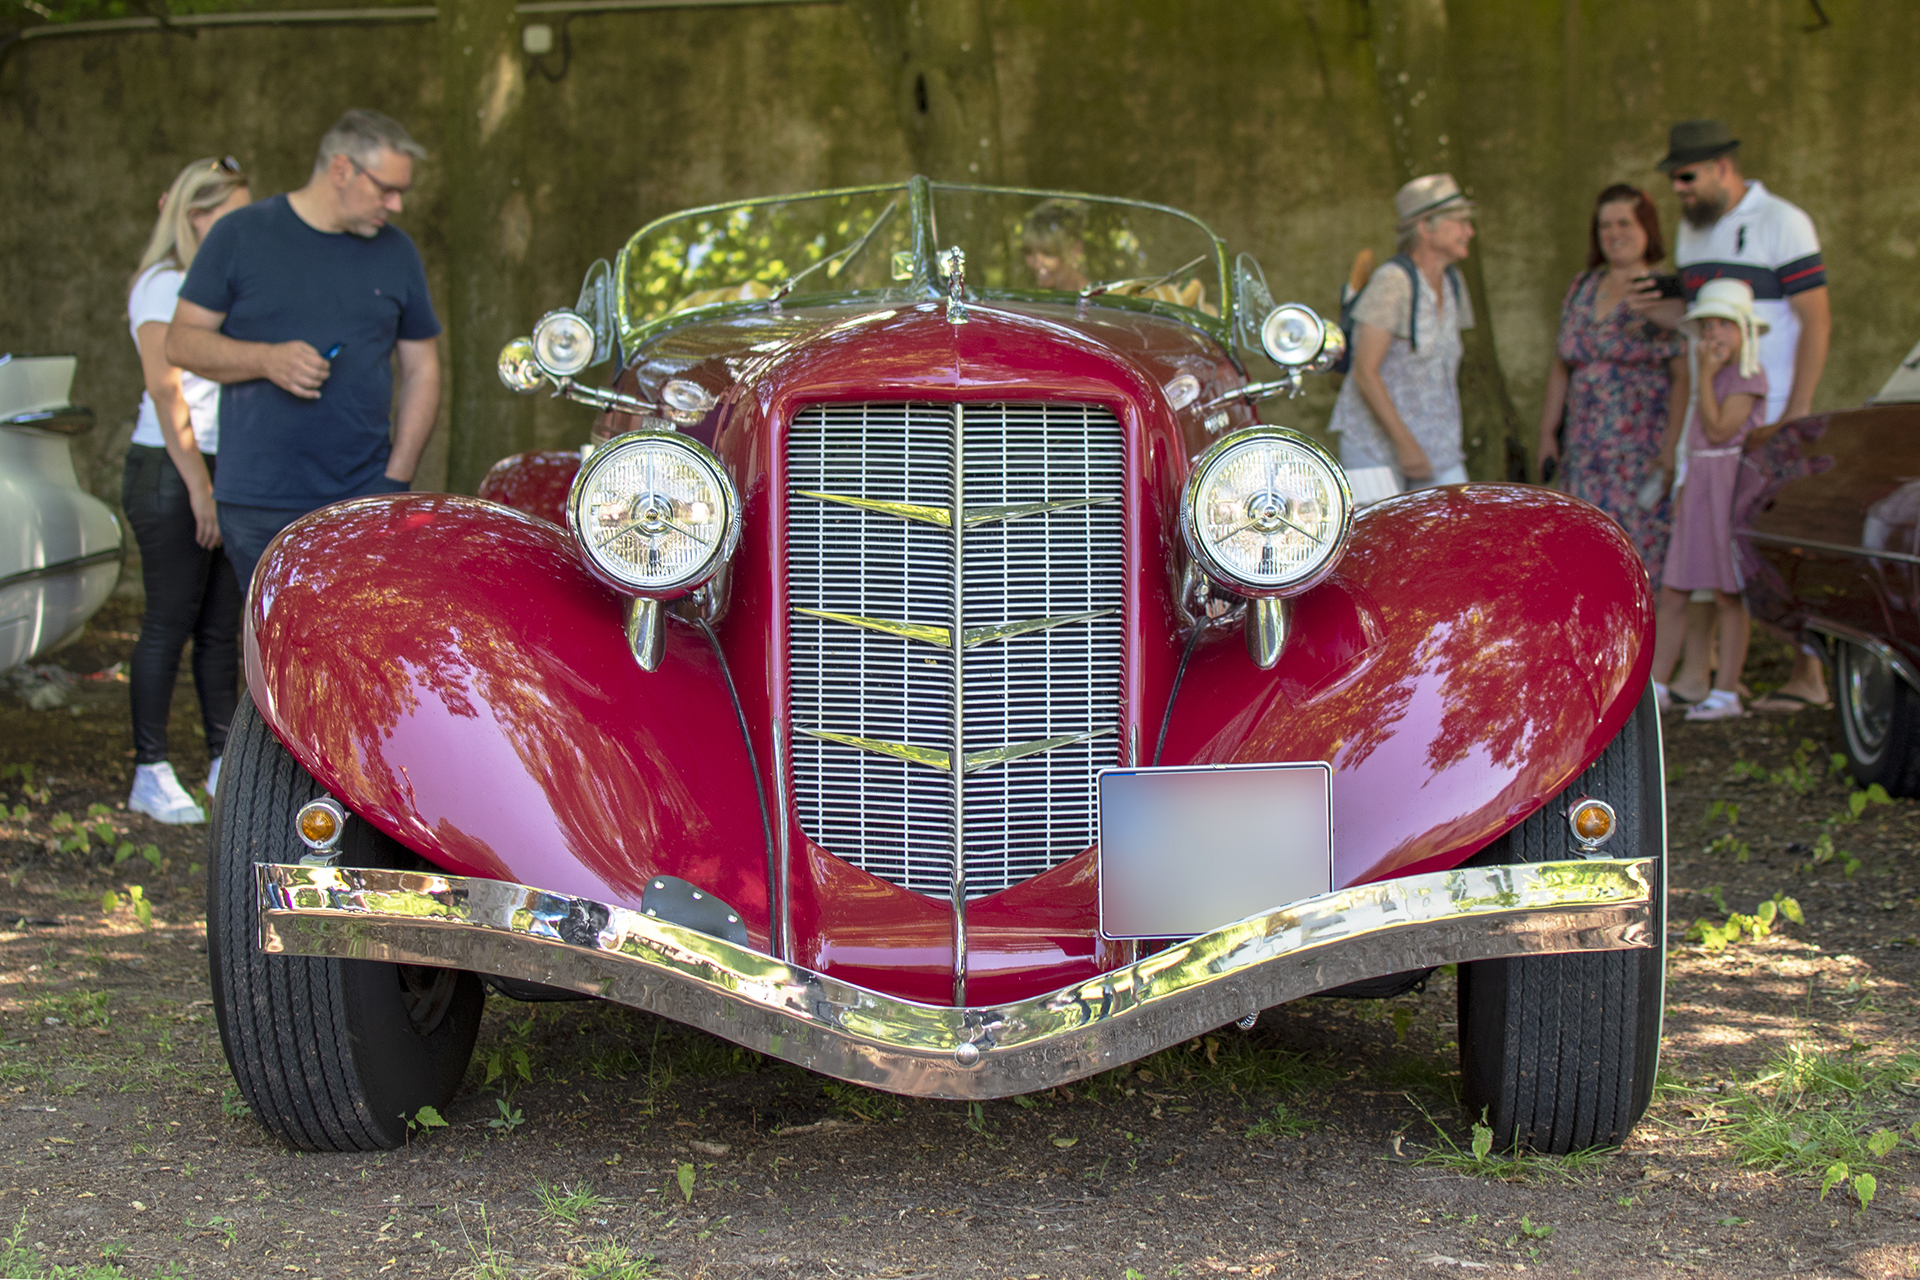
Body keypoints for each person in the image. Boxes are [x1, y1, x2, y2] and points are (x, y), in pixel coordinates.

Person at [167, 109, 442, 592]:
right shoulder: (240, 234)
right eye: (385, 189)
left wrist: (395, 480)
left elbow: (423, 369)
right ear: (341, 170)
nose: (396, 204)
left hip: (362, 498)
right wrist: (265, 359)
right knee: (273, 655)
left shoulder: (398, 251)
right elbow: (181, 342)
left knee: (354, 652)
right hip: (258, 501)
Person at [1632, 119, 1833, 710]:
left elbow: (1816, 319)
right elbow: (1703, 318)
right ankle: (1699, 677)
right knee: (1706, 558)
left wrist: (1797, 408)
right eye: (1673, 180)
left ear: (1723, 166)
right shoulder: (1694, 235)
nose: (1680, 190)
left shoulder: (1783, 222)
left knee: (1776, 545)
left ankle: (1810, 677)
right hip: (1711, 420)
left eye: (1687, 177)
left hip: (1767, 412)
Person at [122, 157, 251, 824]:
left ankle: (222, 762)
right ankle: (149, 769)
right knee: (168, 623)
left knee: (219, 629)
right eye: (231, 213)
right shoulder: (162, 285)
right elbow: (165, 387)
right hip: (171, 470)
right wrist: (201, 490)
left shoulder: (220, 286)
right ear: (196, 216)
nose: (244, 226)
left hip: (220, 468)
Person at [1536, 185, 1689, 582]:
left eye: (1624, 223)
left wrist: (1671, 451)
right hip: (1585, 452)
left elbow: (1682, 375)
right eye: (1605, 225)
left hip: (1640, 452)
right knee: (1583, 549)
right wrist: (1548, 434)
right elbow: (1562, 364)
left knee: (1636, 553)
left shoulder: (1661, 289)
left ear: (1647, 229)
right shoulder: (1583, 287)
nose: (1614, 233)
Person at [1648, 279, 1768, 721]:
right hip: (1699, 479)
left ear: (1744, 330)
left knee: (1727, 592)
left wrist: (1710, 377)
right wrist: (1682, 483)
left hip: (1728, 484)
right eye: (1707, 325)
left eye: (1723, 324)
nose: (1714, 333)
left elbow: (1719, 430)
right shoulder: (1708, 369)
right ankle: (1657, 684)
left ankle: (1726, 691)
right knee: (1676, 587)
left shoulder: (1748, 375)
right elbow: (1695, 436)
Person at [1328, 173, 1477, 491]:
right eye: (1460, 222)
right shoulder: (1393, 282)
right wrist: (1404, 444)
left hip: (1438, 446)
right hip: (1375, 446)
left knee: (1453, 530)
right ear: (1425, 227)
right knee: (1380, 538)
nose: (1469, 231)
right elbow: (1364, 372)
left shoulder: (1453, 282)